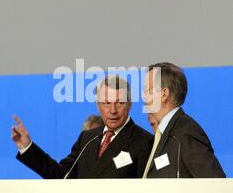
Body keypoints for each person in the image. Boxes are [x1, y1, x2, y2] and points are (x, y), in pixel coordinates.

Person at [12, 76, 154, 179]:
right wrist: (27, 147)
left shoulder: (144, 141)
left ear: (129, 104)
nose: (112, 110)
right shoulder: (87, 138)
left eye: (119, 103)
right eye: (106, 103)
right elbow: (62, 176)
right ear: (98, 105)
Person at [142, 62, 226, 178]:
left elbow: (214, 180)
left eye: (147, 91)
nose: (144, 96)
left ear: (164, 94)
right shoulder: (165, 132)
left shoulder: (186, 131)